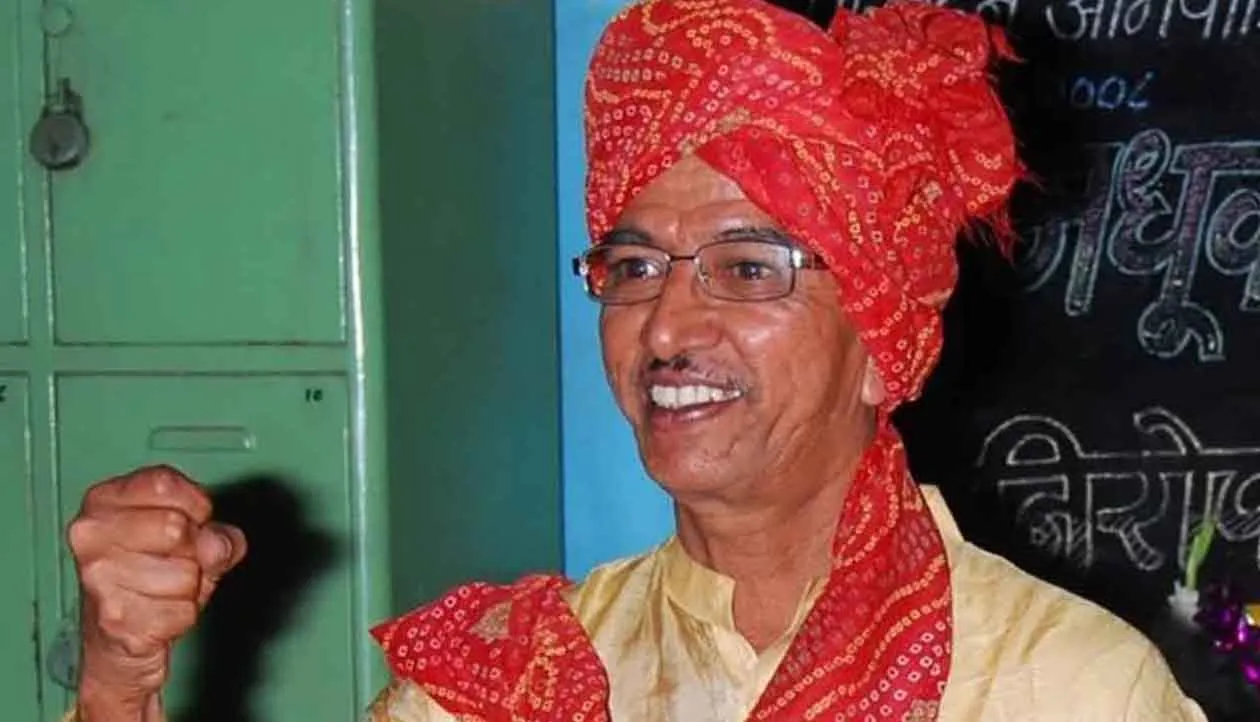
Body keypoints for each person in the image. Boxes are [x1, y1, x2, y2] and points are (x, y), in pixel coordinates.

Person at [64, 1, 1208, 720]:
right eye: (634, 264)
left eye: (748, 266)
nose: (664, 327)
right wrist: (119, 677)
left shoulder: (1063, 685)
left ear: (882, 341)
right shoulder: (521, 679)